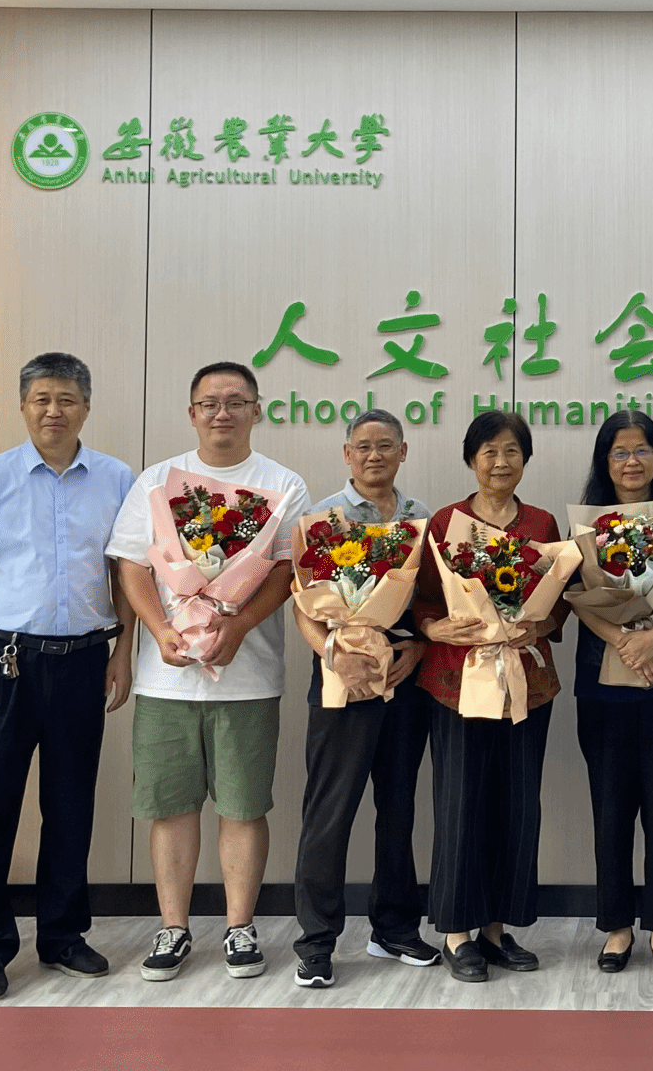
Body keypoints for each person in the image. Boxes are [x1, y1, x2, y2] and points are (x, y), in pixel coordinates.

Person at [108, 362, 308, 984]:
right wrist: (161, 629)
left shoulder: (282, 484)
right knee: (170, 807)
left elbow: (286, 569)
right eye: (210, 402)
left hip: (250, 678)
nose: (223, 412)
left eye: (236, 401)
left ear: (257, 409)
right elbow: (133, 566)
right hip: (165, 677)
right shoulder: (157, 480)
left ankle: (239, 927)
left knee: (243, 807)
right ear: (191, 412)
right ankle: (173, 927)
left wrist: (238, 626)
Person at [0, 352, 136, 999]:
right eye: (41, 399)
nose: (53, 411)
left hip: (84, 660)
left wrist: (122, 651)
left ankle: (62, 935)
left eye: (66, 399)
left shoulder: (115, 478)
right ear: (24, 406)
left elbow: (124, 573)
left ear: (86, 406)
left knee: (71, 805)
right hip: (5, 662)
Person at [414, 410, 566, 984]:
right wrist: (433, 628)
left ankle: (497, 930)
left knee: (518, 804)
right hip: (457, 685)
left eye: (511, 451)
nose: (501, 462)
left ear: (525, 458)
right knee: (460, 802)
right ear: (471, 459)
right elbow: (421, 598)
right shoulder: (446, 522)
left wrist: (540, 623)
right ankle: (457, 932)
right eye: (489, 452)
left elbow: (560, 603)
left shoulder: (542, 521)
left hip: (527, 684)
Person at [290, 408, 438, 988]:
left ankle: (394, 928)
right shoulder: (323, 518)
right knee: (330, 811)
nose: (374, 455)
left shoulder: (422, 517)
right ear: (347, 454)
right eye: (363, 446)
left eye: (386, 445)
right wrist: (333, 655)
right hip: (342, 675)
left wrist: (418, 649)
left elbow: (436, 600)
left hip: (404, 677)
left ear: (404, 452)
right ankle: (316, 941)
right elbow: (303, 602)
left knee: (398, 809)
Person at [572, 410, 653, 976]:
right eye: (621, 452)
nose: (633, 461)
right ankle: (617, 926)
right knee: (610, 807)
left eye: (643, 449)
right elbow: (576, 596)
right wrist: (626, 643)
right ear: (605, 461)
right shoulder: (585, 526)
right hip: (603, 681)